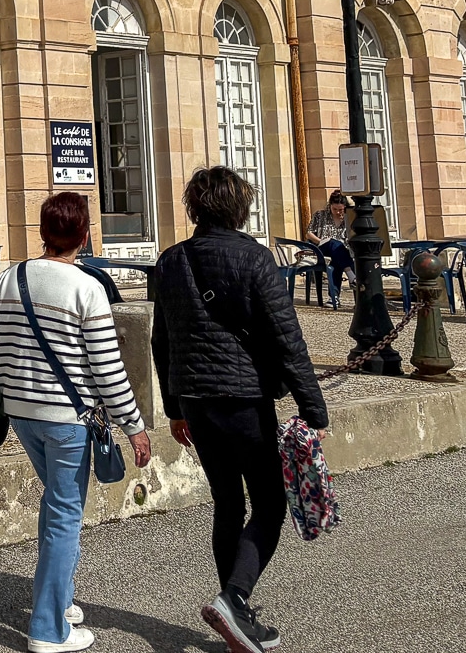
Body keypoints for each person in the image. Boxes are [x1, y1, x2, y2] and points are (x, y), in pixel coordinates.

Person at [153, 166, 330, 653]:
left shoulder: (170, 261)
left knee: (228, 502)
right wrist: (314, 409)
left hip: (196, 400)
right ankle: (233, 599)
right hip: (244, 398)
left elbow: (161, 341)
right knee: (270, 504)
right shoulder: (254, 258)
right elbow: (286, 340)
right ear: (240, 207)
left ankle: (236, 611)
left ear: (195, 207)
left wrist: (173, 407)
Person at [0, 192, 153, 653]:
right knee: (64, 515)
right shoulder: (87, 287)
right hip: (68, 417)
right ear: (85, 234)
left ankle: (60, 599)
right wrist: (133, 425)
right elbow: (106, 367)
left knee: (58, 506)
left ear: (42, 232)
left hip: (21, 411)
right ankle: (48, 627)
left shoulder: (8, 276)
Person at [302, 190, 356, 308]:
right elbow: (309, 233)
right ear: (330, 206)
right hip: (323, 247)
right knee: (333, 243)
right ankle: (351, 276)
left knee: (337, 260)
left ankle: (333, 298)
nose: (337, 212)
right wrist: (320, 241)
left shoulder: (350, 217)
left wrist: (346, 220)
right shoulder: (320, 215)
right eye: (335, 209)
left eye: (340, 209)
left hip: (343, 251)